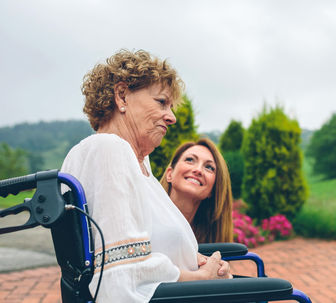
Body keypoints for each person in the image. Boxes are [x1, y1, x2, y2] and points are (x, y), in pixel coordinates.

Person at [61, 49, 231, 303]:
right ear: (122, 96)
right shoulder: (109, 149)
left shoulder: (138, 165)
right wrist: (202, 279)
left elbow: (145, 243)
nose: (172, 117)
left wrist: (206, 263)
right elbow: (121, 277)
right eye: (162, 102)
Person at [159, 138, 233, 244]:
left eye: (209, 167)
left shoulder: (213, 245)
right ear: (170, 174)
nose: (198, 170)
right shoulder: (141, 220)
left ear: (213, 190)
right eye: (189, 160)